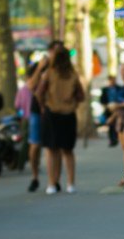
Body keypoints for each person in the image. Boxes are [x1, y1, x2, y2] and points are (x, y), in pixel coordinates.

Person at [36, 47, 84, 195]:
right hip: (68, 114)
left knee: (52, 150)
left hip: (52, 114)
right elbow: (81, 95)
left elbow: (39, 92)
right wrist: (73, 103)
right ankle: (71, 184)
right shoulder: (73, 74)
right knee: (68, 151)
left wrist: (43, 106)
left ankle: (52, 183)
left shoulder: (49, 74)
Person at [26, 40, 64, 192]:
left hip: (56, 111)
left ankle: (55, 180)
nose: (57, 54)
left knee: (56, 147)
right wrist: (40, 68)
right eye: (55, 51)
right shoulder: (39, 66)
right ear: (49, 51)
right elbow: (30, 86)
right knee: (35, 145)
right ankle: (34, 176)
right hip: (37, 111)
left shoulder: (62, 68)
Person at [100, 75, 119, 147]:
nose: (112, 81)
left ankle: (116, 138)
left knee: (116, 124)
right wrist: (106, 106)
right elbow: (102, 100)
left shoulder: (119, 88)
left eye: (114, 80)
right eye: (111, 80)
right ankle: (112, 140)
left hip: (117, 108)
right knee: (110, 124)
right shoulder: (105, 89)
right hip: (108, 109)